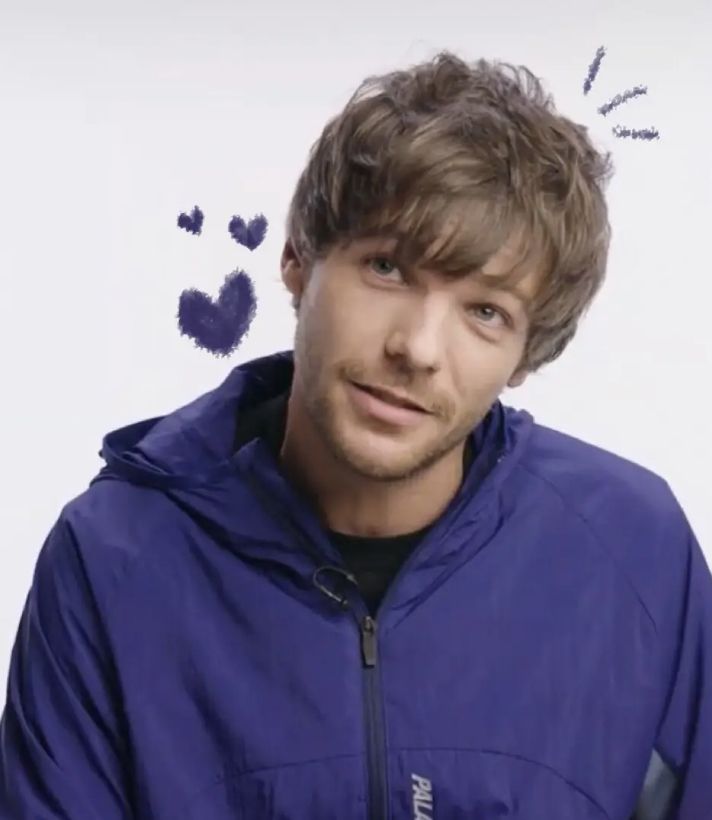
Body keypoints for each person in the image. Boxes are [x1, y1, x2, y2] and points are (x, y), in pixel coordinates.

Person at [0, 49, 710, 820]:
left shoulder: (633, 552)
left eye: (485, 312)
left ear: (524, 359)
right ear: (298, 260)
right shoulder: (113, 561)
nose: (418, 349)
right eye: (387, 268)